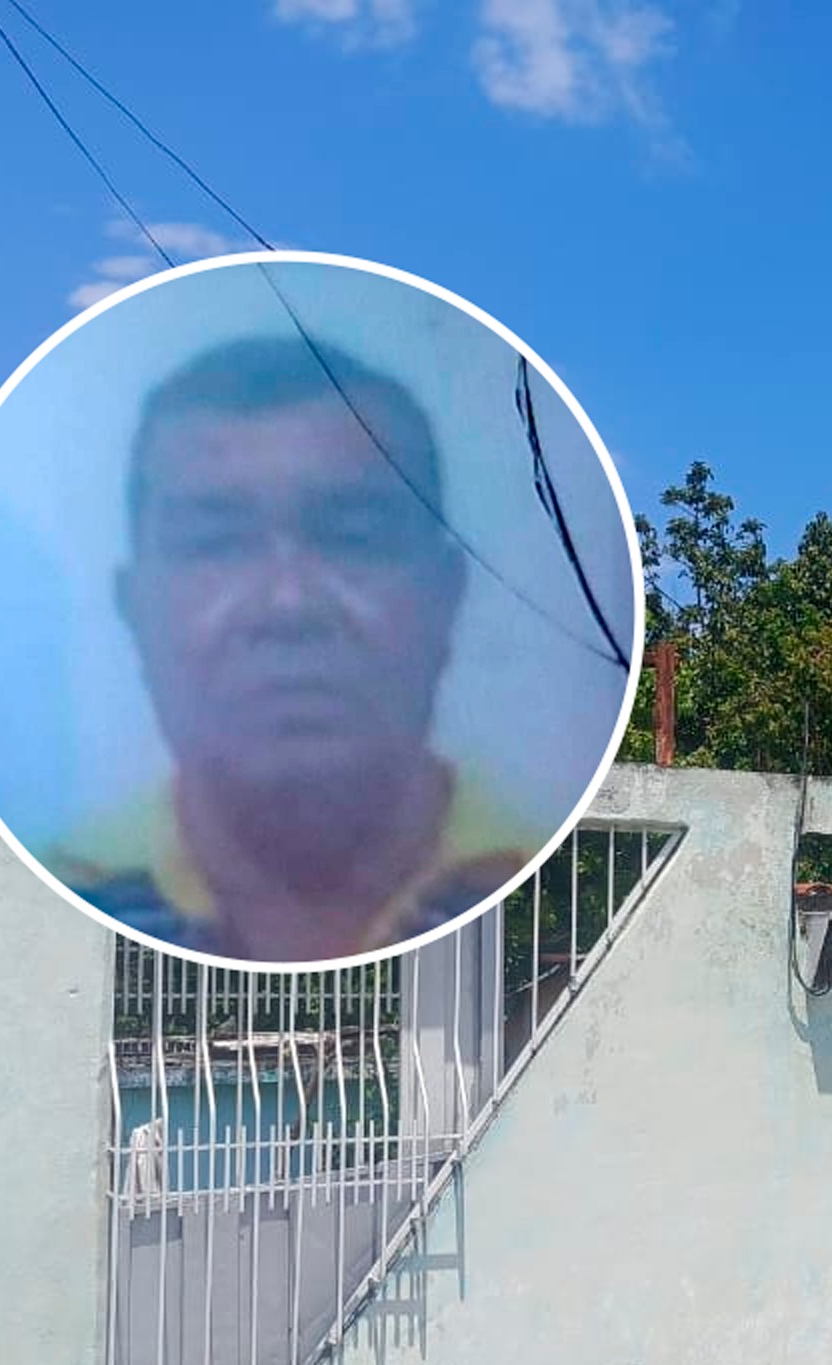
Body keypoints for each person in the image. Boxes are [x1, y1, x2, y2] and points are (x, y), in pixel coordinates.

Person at [41, 334, 543, 963]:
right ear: (135, 607)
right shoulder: (60, 889)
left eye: (354, 537)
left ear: (445, 595)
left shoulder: (545, 861)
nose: (287, 604)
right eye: (216, 543)